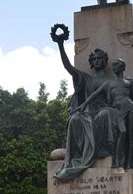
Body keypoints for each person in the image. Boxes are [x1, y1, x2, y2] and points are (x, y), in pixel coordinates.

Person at [50, 23, 117, 180]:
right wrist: (60, 45)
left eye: (100, 58)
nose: (97, 60)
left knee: (104, 114)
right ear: (92, 63)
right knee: (74, 119)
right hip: (88, 115)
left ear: (105, 61)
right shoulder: (86, 79)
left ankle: (102, 148)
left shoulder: (112, 80)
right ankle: (79, 156)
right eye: (95, 59)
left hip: (106, 113)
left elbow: (117, 102)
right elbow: (68, 67)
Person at [74, 58, 133, 169]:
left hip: (130, 108)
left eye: (116, 65)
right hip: (117, 110)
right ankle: (116, 161)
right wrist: (83, 105)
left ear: (122, 67)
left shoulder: (129, 82)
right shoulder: (109, 83)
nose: (113, 67)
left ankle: (129, 164)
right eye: (112, 65)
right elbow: (95, 95)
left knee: (130, 137)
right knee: (122, 132)